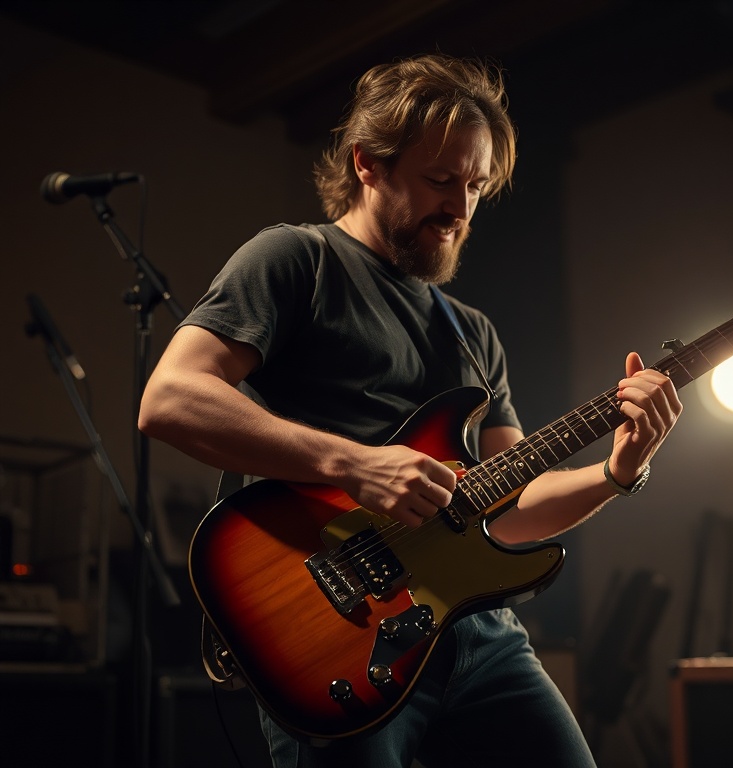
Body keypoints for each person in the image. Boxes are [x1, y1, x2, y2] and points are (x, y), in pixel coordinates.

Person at [139, 53, 682, 768]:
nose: (459, 209)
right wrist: (355, 465)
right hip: (338, 629)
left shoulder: (472, 331)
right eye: (440, 181)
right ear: (367, 164)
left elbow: (511, 503)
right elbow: (171, 397)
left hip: (477, 636)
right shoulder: (295, 261)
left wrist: (617, 472)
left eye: (477, 187)